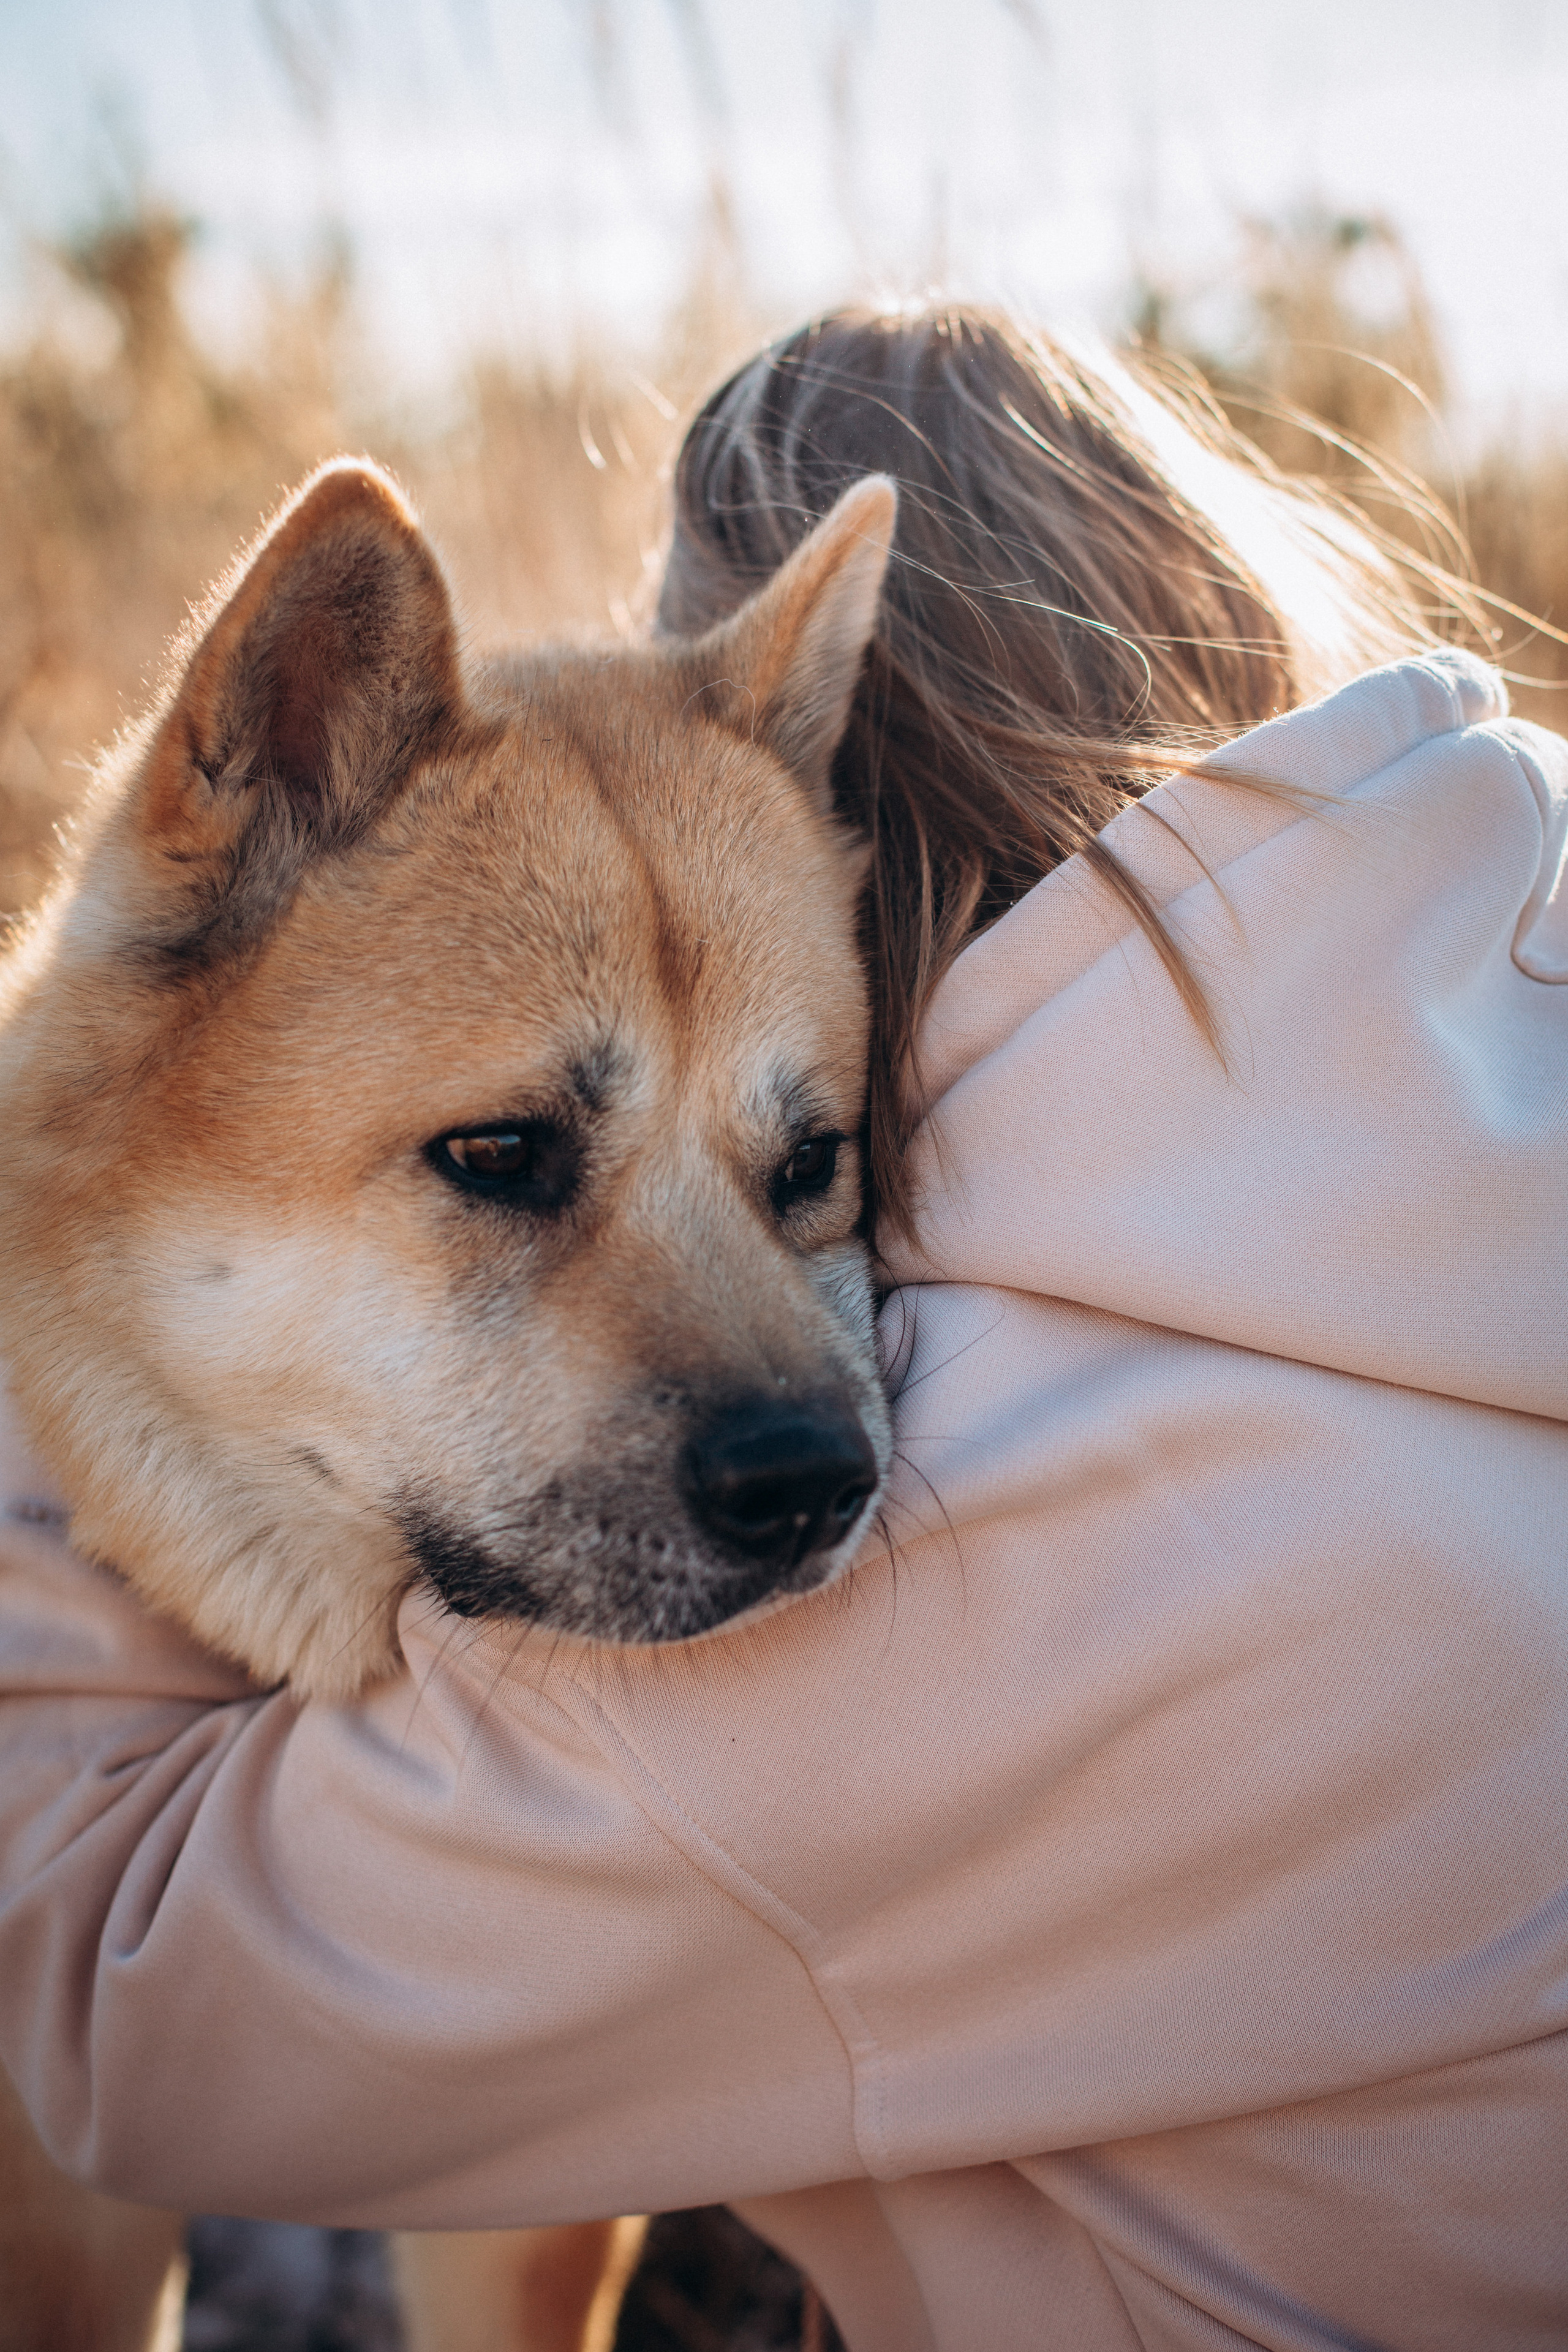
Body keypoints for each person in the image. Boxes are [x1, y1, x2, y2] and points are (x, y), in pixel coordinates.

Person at [1, 305, 1565, 2352]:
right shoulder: (1441, 1120)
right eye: (507, 1163)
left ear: (868, 798)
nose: (807, 1420)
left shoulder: (942, 1609)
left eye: (797, 1168)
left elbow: (125, 2030)